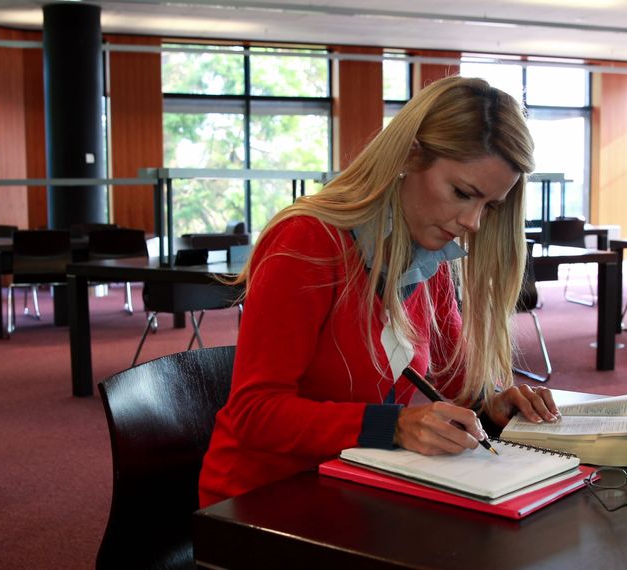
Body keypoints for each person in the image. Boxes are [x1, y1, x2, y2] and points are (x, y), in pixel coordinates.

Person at [198, 76, 560, 507]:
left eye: (490, 206)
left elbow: (451, 380)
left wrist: (492, 401)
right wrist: (394, 425)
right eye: (462, 193)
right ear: (409, 154)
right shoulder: (306, 240)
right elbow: (254, 413)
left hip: (362, 487)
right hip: (265, 501)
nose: (473, 223)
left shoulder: (430, 252)